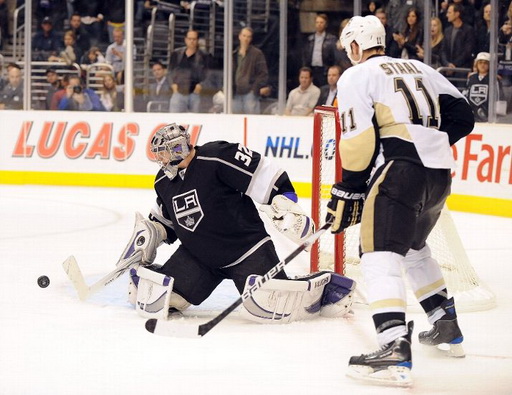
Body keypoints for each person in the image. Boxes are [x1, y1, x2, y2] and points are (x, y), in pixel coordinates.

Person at [329, 15, 474, 387]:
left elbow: (358, 142)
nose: (349, 56)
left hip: (401, 173)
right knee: (412, 247)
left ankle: (392, 345)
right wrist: (427, 141)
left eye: (349, 50)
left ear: (356, 46)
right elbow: (463, 115)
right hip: (438, 173)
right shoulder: (421, 67)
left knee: (378, 255)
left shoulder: (356, 76)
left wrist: (348, 188)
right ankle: (445, 323)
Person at [119, 123, 356, 324]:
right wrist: (150, 236)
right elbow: (165, 220)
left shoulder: (217, 157)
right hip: (199, 257)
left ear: (178, 148)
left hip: (246, 250)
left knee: (269, 299)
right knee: (166, 298)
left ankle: (326, 287)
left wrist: (284, 201)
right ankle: (157, 275)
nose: (160, 159)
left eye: (164, 152)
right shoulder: (163, 181)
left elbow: (264, 174)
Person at [232, 27, 271, 114]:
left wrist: (254, 89)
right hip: (235, 93)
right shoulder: (233, 54)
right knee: (235, 121)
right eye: (244, 36)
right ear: (239, 36)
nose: (246, 39)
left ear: (251, 39)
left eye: (248, 37)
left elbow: (263, 73)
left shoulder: (257, 54)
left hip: (250, 94)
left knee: (252, 121)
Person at [169, 29, 209, 113]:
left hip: (195, 93)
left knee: (195, 121)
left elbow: (209, 74)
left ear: (197, 40)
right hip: (178, 92)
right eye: (190, 39)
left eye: (194, 39)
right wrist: (173, 85)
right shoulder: (177, 54)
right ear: (185, 40)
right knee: (175, 121)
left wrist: (201, 85)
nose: (192, 41)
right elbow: (170, 71)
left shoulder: (204, 56)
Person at [440, 3, 476, 87]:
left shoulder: (468, 30)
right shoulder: (447, 30)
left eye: (449, 12)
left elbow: (467, 51)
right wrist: (447, 64)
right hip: (448, 71)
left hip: (461, 71)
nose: (447, 15)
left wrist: (454, 65)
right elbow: (442, 50)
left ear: (457, 14)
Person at [465, 52, 504, 121]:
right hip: (473, 112)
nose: (482, 65)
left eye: (485, 63)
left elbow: (499, 96)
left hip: (488, 112)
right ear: (476, 64)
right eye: (480, 62)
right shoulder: (471, 77)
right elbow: (466, 93)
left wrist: (497, 113)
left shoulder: (494, 79)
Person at [302, 13, 338, 87]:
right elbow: (305, 55)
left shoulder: (331, 39)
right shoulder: (310, 39)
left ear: (326, 24)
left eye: (321, 22)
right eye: (317, 22)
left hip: (325, 70)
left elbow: (334, 57)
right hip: (312, 69)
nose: (319, 24)